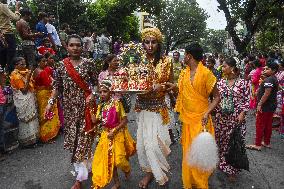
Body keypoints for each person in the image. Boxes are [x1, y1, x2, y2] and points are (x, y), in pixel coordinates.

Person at [45, 35, 98, 189]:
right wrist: (50, 103)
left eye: (78, 45)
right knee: (74, 143)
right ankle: (86, 167)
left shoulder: (89, 64)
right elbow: (57, 87)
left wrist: (92, 95)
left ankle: (79, 179)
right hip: (68, 110)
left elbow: (96, 84)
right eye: (72, 45)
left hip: (85, 109)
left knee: (83, 140)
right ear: (66, 47)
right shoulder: (61, 66)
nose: (75, 48)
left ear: (82, 47)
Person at [166, 43, 220, 189]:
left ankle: (201, 184)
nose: (183, 57)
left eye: (184, 55)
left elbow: (216, 97)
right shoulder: (184, 72)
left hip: (201, 120)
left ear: (189, 56)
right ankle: (189, 184)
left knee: (200, 156)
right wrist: (173, 86)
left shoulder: (206, 74)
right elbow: (184, 88)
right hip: (187, 121)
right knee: (188, 154)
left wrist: (207, 112)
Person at [135, 27, 173, 188]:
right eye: (146, 42)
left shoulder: (167, 61)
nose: (150, 45)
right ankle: (151, 173)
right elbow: (131, 82)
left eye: (153, 42)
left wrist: (162, 86)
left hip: (159, 108)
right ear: (142, 44)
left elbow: (172, 84)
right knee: (143, 144)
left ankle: (158, 172)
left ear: (159, 44)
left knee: (155, 144)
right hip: (142, 107)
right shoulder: (136, 61)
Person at [91, 79, 136, 189]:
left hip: (117, 134)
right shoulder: (100, 106)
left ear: (110, 92)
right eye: (100, 92)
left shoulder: (117, 103)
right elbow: (95, 121)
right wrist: (91, 107)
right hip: (106, 136)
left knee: (120, 160)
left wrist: (114, 130)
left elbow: (125, 120)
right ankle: (117, 183)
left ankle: (127, 169)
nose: (102, 94)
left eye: (105, 91)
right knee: (111, 161)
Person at [215, 57, 250, 181]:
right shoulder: (220, 82)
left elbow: (247, 100)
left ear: (232, 68)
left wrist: (242, 114)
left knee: (233, 143)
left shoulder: (243, 83)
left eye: (224, 66)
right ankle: (223, 163)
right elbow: (215, 99)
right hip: (221, 118)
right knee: (221, 141)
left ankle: (232, 170)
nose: (222, 68)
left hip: (236, 118)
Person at [246, 60, 279, 151]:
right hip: (271, 106)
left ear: (274, 70)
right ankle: (266, 142)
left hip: (265, 106)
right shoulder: (273, 78)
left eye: (267, 69)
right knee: (268, 124)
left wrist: (259, 104)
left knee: (260, 124)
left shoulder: (269, 79)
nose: (264, 70)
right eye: (264, 68)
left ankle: (257, 144)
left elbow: (267, 93)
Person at [10, 57, 39, 147]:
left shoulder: (24, 72)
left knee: (32, 118)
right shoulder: (15, 75)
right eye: (22, 64)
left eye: (24, 63)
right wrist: (29, 76)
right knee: (26, 120)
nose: (25, 66)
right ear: (16, 65)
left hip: (29, 98)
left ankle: (34, 139)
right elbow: (24, 91)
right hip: (23, 99)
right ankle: (27, 142)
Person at [33, 55, 60, 143]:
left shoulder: (35, 71)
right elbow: (49, 85)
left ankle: (45, 134)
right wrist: (53, 82)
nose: (45, 63)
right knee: (47, 113)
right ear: (38, 62)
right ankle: (47, 135)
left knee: (43, 112)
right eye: (43, 61)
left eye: (45, 61)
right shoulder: (42, 72)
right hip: (46, 94)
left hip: (39, 93)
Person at [0, 0, 21, 73]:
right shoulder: (2, 6)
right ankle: (11, 78)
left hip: (1, 35)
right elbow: (16, 18)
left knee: (2, 57)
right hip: (7, 35)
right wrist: (17, 8)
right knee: (11, 58)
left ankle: (3, 78)